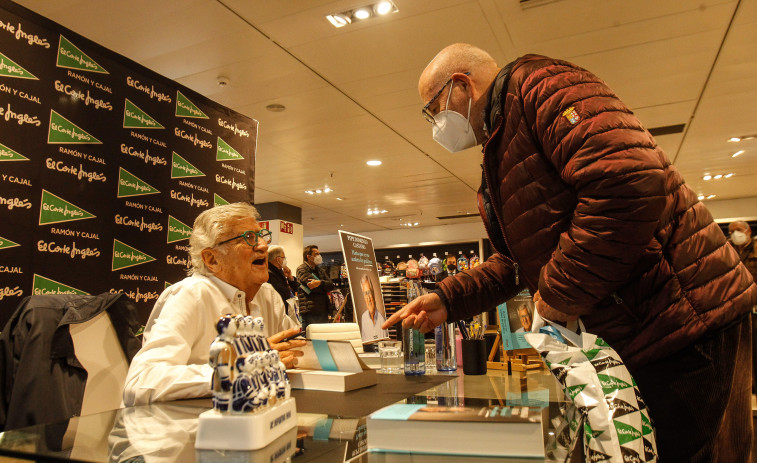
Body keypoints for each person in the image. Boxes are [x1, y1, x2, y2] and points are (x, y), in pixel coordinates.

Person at [385, 44, 757, 461]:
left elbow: (628, 182)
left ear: (461, 85)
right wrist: (447, 299)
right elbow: (513, 264)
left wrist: (559, 294)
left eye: (433, 109)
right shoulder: (501, 147)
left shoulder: (539, 87)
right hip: (647, 328)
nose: (435, 123)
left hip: (683, 320)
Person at [123, 203, 305, 406]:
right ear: (212, 259)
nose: (263, 246)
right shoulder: (192, 295)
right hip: (190, 430)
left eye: (260, 235)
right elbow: (141, 382)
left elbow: (294, 352)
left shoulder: (268, 295)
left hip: (258, 423)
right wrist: (237, 370)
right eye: (248, 238)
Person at [296, 245, 335, 330]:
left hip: (323, 310)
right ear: (309, 257)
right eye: (316, 254)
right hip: (310, 311)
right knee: (311, 340)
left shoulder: (320, 270)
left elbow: (331, 285)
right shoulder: (301, 269)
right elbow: (312, 288)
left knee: (322, 339)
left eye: (319, 253)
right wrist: (322, 286)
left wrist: (320, 282)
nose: (319, 256)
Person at [267, 245, 300, 321]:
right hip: (276, 314)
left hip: (286, 311)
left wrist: (290, 277)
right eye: (284, 257)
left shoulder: (281, 272)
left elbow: (296, 289)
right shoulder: (268, 273)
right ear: (277, 259)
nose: (285, 260)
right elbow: (282, 292)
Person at [358, 274, 388, 341]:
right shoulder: (364, 317)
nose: (368, 299)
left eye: (369, 292)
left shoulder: (382, 319)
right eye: (365, 294)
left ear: (373, 293)